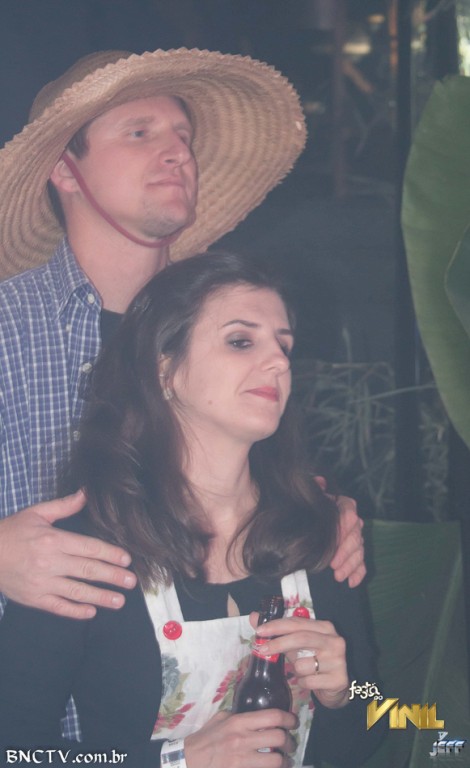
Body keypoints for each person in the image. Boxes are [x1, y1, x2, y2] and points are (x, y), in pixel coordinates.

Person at [0, 251, 383, 768]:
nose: (278, 362)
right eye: (241, 341)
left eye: (284, 345)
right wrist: (175, 760)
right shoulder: (84, 552)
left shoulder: (319, 531)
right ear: (166, 369)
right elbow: (15, 749)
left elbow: (379, 718)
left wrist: (345, 693)